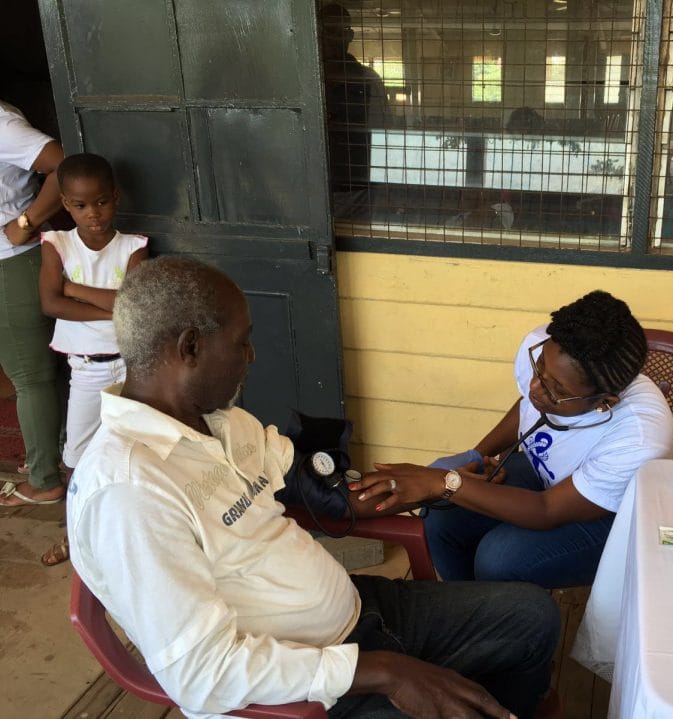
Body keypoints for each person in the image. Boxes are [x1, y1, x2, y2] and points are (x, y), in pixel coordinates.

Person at [67, 256, 558, 719]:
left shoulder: (220, 421)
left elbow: (313, 485)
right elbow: (202, 673)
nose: (252, 355)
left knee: (533, 616)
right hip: (306, 689)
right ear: (190, 347)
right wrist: (383, 672)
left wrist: (432, 485)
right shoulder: (129, 491)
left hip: (362, 613)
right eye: (242, 341)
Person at [352, 291, 673, 588]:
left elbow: (547, 510)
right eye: (540, 369)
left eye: (558, 391)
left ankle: (508, 629)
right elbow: (529, 407)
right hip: (549, 476)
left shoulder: (639, 437)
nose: (537, 388)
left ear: (604, 402)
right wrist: (475, 458)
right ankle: (471, 613)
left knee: (499, 558)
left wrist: (447, 481)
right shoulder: (546, 348)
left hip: (617, 514)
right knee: (441, 517)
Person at [35, 152, 148, 565]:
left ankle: (131, 534)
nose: (93, 213)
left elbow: (133, 305)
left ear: (115, 198)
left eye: (100, 202)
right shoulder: (58, 244)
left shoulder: (133, 248)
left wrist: (76, 290)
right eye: (80, 205)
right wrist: (112, 306)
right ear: (65, 204)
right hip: (86, 369)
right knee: (77, 456)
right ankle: (76, 537)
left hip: (132, 365)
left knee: (135, 448)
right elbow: (50, 303)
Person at [0, 99, 65, 508]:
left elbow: (66, 166)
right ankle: (54, 453)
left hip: (12, 262)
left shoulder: (1, 125)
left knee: (31, 375)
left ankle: (44, 481)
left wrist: (26, 222)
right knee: (42, 368)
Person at [318, 3, 391, 217]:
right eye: (330, 31)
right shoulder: (304, 81)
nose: (336, 39)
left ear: (350, 36)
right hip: (314, 186)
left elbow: (383, 133)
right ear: (317, 33)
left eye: (343, 32)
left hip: (357, 187)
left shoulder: (368, 80)